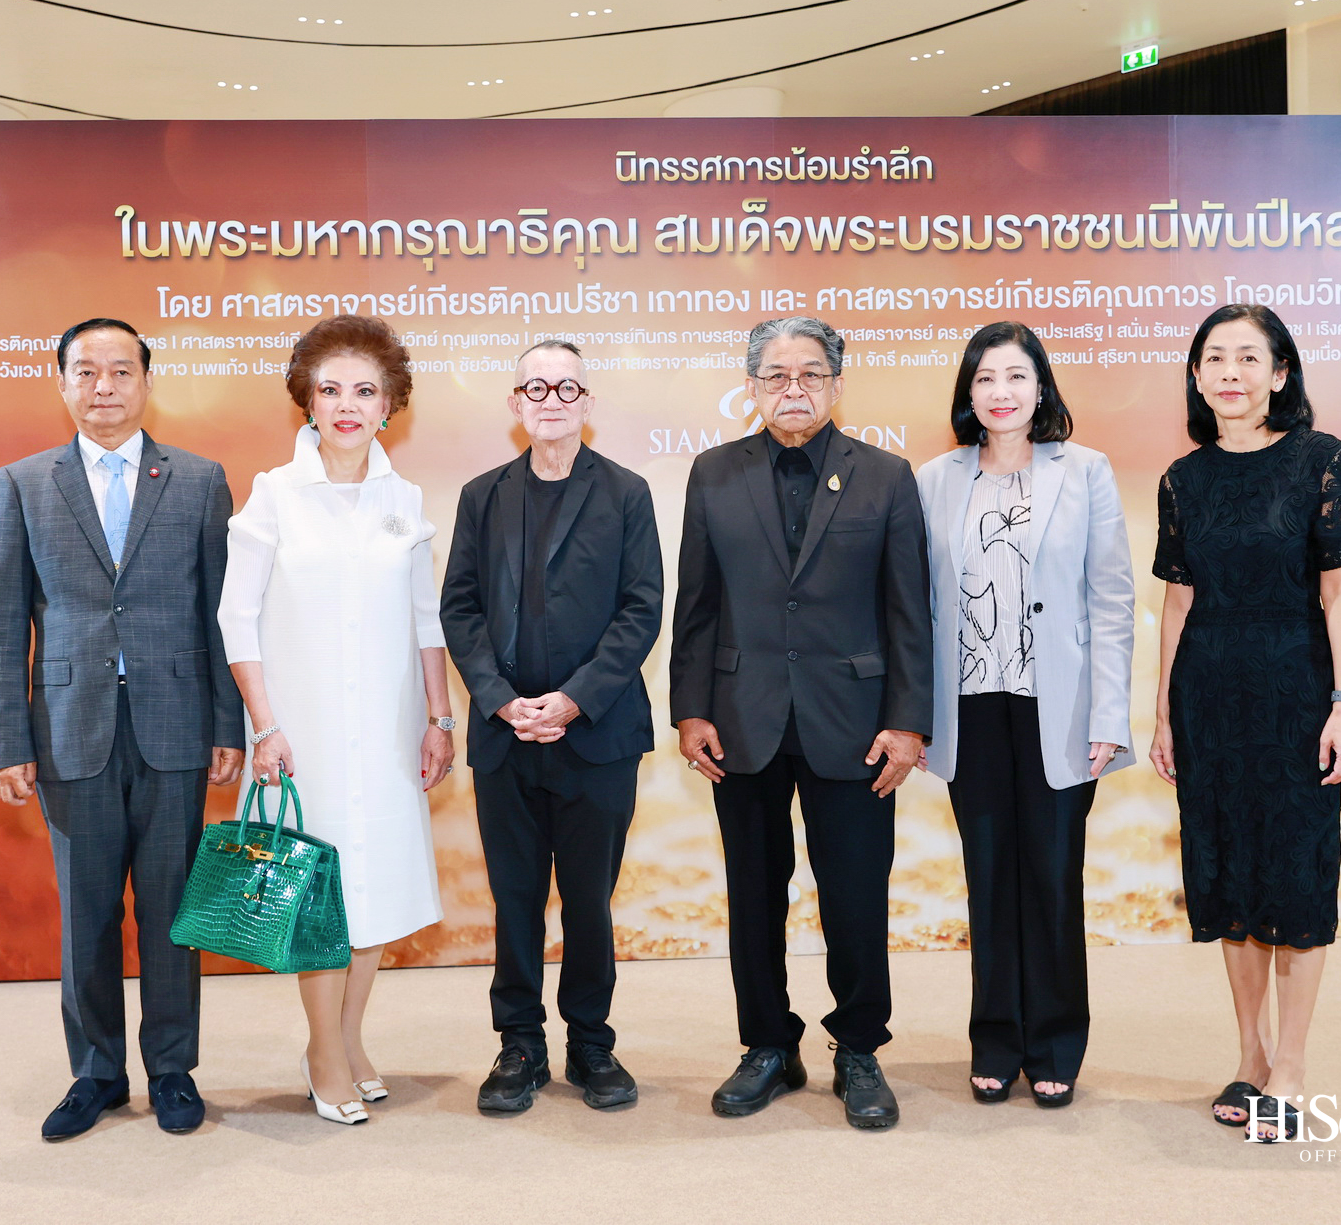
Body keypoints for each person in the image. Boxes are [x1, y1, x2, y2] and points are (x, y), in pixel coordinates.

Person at [0, 317, 245, 1141]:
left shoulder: (199, 480)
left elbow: (221, 616)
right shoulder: (24, 482)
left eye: (121, 371)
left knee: (172, 912)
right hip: (68, 731)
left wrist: (228, 722)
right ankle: (96, 1073)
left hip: (176, 727)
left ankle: (172, 1071)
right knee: (87, 915)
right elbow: (2, 622)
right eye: (86, 372)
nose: (104, 386)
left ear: (145, 382)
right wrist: (6, 740)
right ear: (61, 384)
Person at [670, 316, 931, 1131]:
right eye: (776, 375)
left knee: (856, 894)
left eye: (811, 374)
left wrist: (908, 722)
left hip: (855, 724)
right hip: (741, 721)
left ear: (837, 385)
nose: (793, 389)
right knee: (754, 895)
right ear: (751, 387)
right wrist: (690, 710)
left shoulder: (886, 477)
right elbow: (697, 607)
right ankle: (768, 1047)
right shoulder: (713, 474)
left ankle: (858, 1048)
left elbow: (908, 612)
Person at [217, 314, 453, 1127]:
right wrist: (264, 726)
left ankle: (350, 1040)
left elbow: (428, 621)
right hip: (301, 734)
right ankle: (322, 1050)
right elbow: (236, 619)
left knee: (375, 891)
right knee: (315, 896)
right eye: (330, 390)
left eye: (365, 391)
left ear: (389, 405)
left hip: (387, 733)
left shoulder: (404, 499)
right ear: (306, 402)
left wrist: (439, 718)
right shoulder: (274, 494)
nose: (347, 405)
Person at [1148, 304, 1341, 1143]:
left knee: (1299, 877)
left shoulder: (1321, 460)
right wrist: (1164, 709)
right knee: (1231, 876)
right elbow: (1178, 597)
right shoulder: (1184, 477)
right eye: (1214, 358)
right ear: (1198, 377)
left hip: (1297, 692)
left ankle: (1294, 1067)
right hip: (1209, 695)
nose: (1230, 372)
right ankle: (1249, 1053)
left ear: (1281, 374)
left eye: (1249, 357)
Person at [441, 339, 663, 1115]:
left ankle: (592, 1043)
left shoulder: (627, 493)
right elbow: (459, 608)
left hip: (596, 735)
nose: (552, 398)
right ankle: (520, 1044)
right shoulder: (482, 495)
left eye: (567, 387)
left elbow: (642, 612)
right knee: (515, 897)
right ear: (515, 403)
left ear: (588, 403)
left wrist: (571, 700)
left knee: (590, 899)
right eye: (536, 386)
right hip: (505, 736)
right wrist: (502, 700)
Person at [915, 321, 1134, 1109]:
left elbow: (1111, 598)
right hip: (969, 708)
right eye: (984, 379)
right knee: (988, 876)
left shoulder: (1086, 472)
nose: (999, 393)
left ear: (1040, 388)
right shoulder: (935, 479)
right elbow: (919, 607)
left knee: (1050, 876)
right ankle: (995, 1039)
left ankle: (1055, 1041)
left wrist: (1109, 710)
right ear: (967, 394)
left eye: (1014, 377)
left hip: (1062, 709)